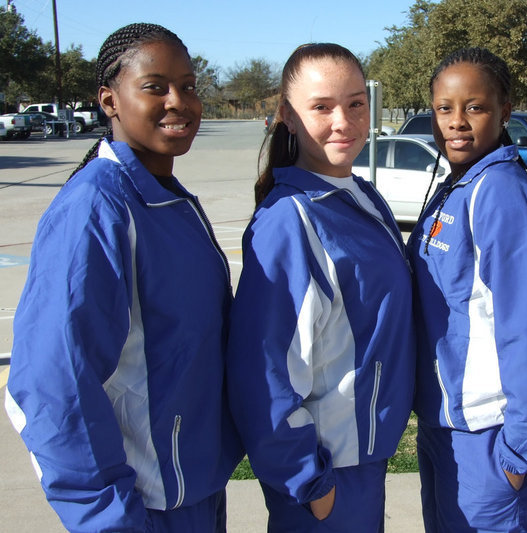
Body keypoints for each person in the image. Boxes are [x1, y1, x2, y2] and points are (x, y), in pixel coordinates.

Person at [4, 23, 242, 532]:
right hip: (142, 508)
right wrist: (106, 518)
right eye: (155, 86)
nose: (179, 101)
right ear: (110, 100)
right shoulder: (97, 209)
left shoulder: (166, 197)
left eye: (189, 85)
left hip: (195, 492)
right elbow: (51, 383)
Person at [225, 43, 414, 532]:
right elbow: (262, 372)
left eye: (355, 104)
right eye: (321, 107)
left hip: (362, 464)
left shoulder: (360, 194)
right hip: (327, 477)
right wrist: (310, 483)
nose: (343, 122)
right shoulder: (290, 220)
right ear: (288, 116)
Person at [407, 47, 527, 532]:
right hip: (448, 424)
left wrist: (522, 451)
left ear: (504, 112)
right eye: (444, 108)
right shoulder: (457, 186)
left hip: (494, 433)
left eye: (474, 107)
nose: (456, 122)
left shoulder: (500, 193)